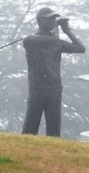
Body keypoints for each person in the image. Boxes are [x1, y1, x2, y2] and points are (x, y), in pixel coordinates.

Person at [21, 7, 85, 137]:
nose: (53, 21)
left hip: (54, 89)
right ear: (40, 21)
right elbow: (48, 41)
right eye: (49, 19)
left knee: (54, 130)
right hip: (37, 88)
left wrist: (67, 31)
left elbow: (81, 48)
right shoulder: (30, 40)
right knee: (30, 129)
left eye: (54, 19)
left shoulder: (56, 41)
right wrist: (57, 29)